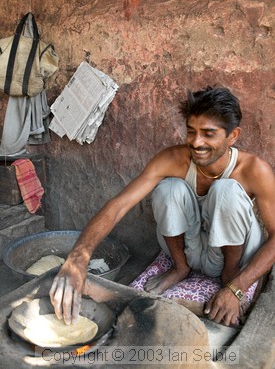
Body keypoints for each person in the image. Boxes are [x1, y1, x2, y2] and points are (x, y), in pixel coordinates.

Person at [50, 85, 275, 327]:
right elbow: (118, 206)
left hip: (229, 257)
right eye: (191, 131)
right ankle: (180, 268)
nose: (197, 142)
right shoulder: (174, 159)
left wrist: (237, 287)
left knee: (227, 190)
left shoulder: (254, 169)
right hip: (190, 250)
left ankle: (228, 277)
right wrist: (77, 258)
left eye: (208, 134)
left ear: (233, 136)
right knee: (169, 189)